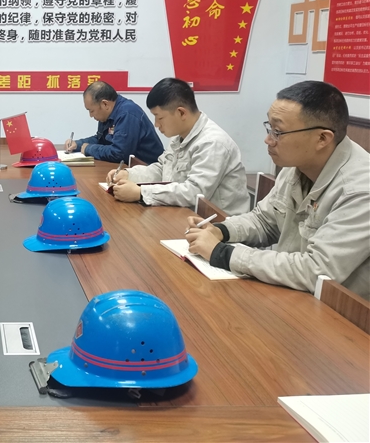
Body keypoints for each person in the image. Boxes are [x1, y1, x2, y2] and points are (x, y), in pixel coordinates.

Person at [186, 81, 370, 299]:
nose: (268, 140)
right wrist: (221, 231)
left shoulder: (359, 190)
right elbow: (264, 221)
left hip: (337, 312)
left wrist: (222, 253)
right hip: (291, 294)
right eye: (269, 128)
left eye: (278, 132)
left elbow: (316, 270)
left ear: (322, 138)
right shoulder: (298, 165)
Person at [107, 78, 250, 215]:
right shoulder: (179, 136)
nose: (156, 124)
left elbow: (195, 192)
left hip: (216, 224)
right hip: (184, 214)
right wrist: (130, 174)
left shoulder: (213, 143)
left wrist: (141, 193)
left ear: (181, 112)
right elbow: (162, 168)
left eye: (159, 117)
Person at [65, 81, 164, 164]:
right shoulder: (108, 113)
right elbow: (101, 139)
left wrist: (89, 149)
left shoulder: (127, 113)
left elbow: (120, 153)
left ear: (105, 104)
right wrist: (78, 144)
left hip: (149, 171)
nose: (91, 115)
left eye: (91, 111)